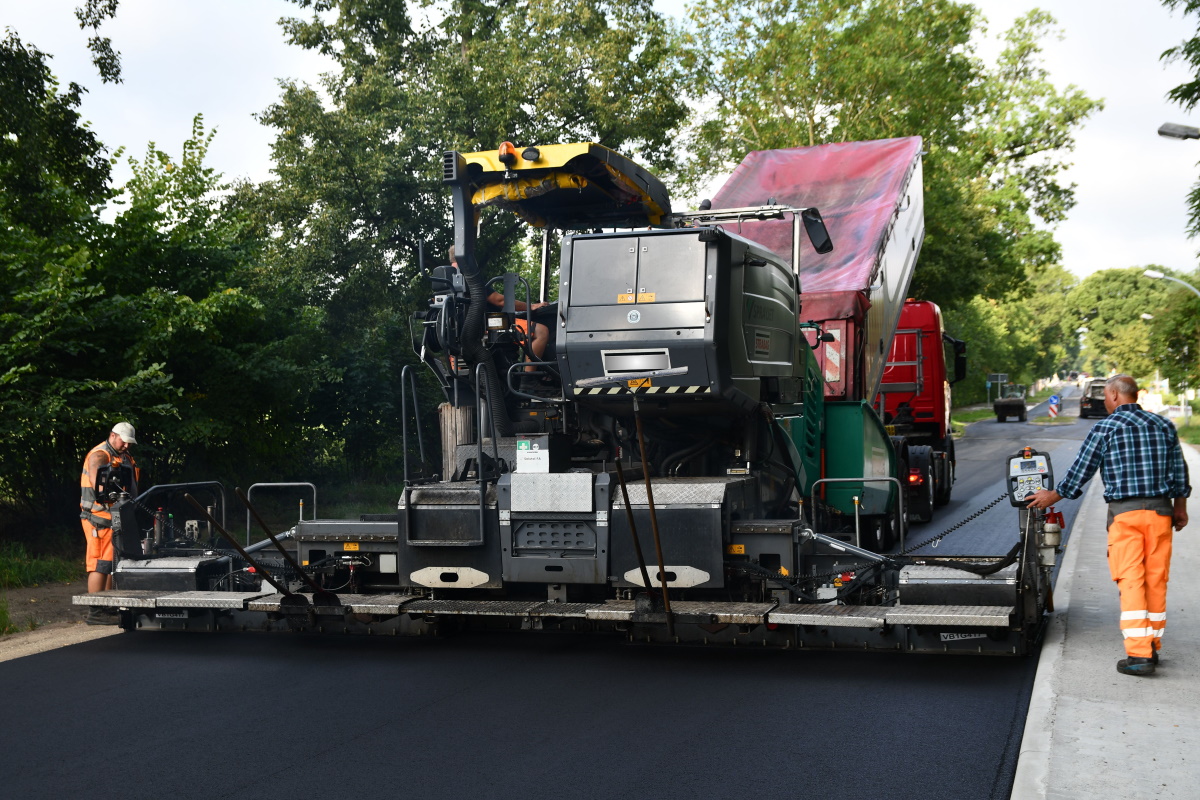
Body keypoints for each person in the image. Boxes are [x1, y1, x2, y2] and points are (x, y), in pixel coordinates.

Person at [1027, 374, 1189, 676]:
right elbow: (1179, 469)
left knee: (1131, 580)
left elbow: (1081, 470)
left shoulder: (1106, 427)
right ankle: (1152, 645)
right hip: (1160, 514)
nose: (1104, 400)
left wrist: (1053, 496)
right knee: (1155, 579)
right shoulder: (1163, 425)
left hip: (1126, 517)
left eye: (1106, 395)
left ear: (1114, 394)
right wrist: (1181, 508)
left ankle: (1139, 656)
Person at [80, 422, 140, 624]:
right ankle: (95, 612)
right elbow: (101, 486)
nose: (126, 446)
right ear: (113, 435)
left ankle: (106, 606)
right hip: (99, 519)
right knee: (100, 564)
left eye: (129, 443)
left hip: (114, 518)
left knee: (110, 563)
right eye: (124, 442)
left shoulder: (122, 456)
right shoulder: (100, 455)